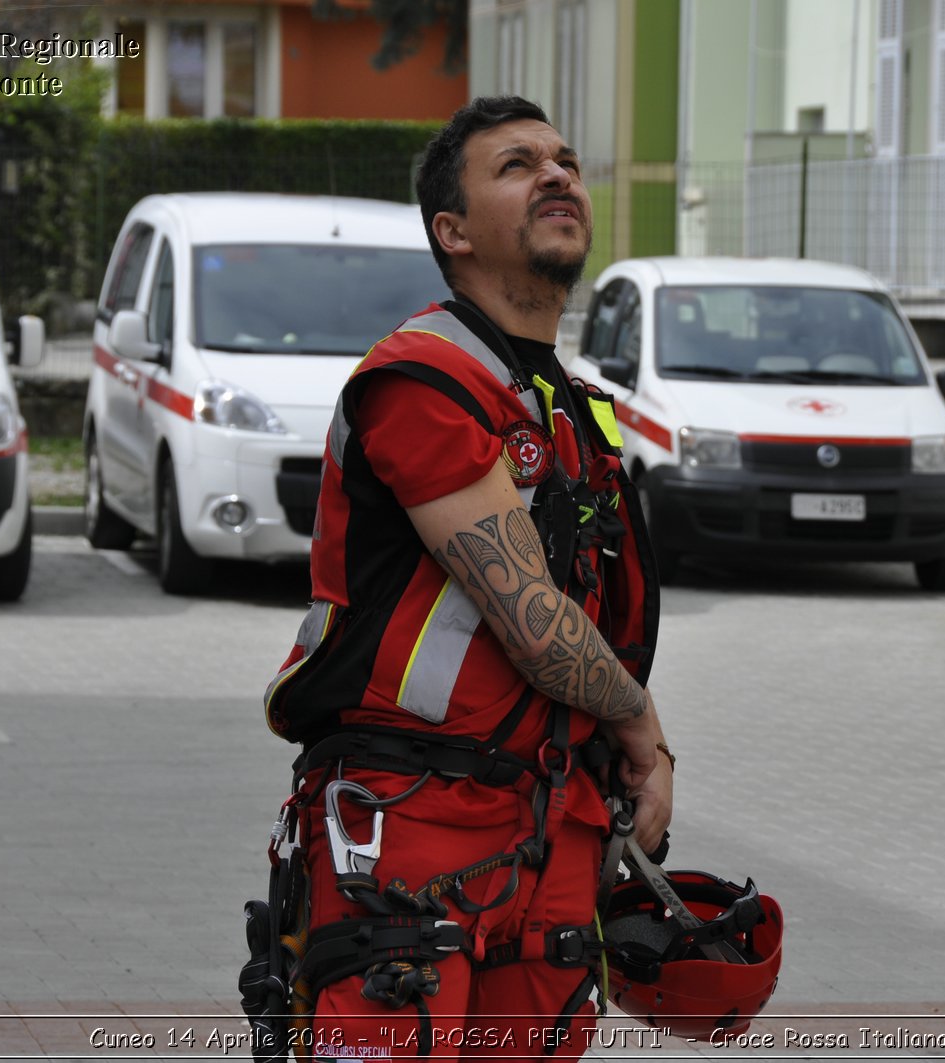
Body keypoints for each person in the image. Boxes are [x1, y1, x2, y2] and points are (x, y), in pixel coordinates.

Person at [259, 96, 670, 1060]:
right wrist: (643, 729)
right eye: (519, 165)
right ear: (453, 230)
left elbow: (594, 616)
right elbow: (533, 617)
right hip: (410, 819)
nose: (559, 174)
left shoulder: (574, 407)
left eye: (566, 160)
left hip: (552, 817)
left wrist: (625, 760)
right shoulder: (423, 380)